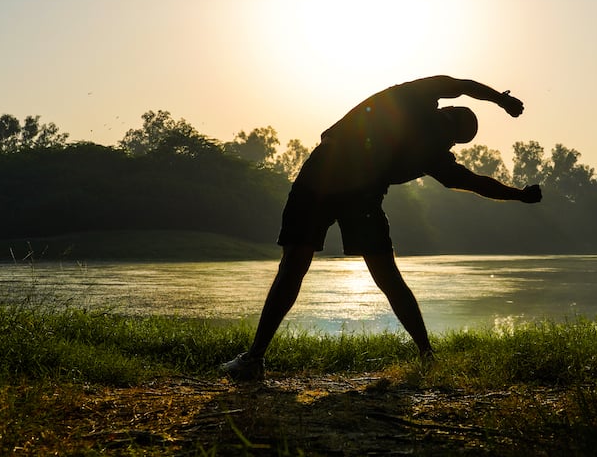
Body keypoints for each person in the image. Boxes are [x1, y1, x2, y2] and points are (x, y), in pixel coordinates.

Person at [222, 75, 542, 380]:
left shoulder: (418, 102)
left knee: (294, 265)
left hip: (325, 173)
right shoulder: (433, 153)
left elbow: (462, 87)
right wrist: (520, 195)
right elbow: (475, 183)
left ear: (447, 108)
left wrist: (501, 100)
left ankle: (254, 358)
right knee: (386, 275)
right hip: (359, 193)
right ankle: (426, 355)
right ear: (455, 140)